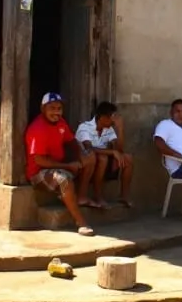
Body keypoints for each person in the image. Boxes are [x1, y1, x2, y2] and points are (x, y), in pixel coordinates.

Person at [24, 92, 97, 236]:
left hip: (59, 164)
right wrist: (68, 166)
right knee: (64, 179)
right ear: (43, 109)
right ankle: (80, 222)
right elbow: (39, 160)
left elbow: (70, 140)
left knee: (90, 157)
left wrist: (80, 154)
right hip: (39, 173)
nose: (56, 112)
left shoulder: (61, 122)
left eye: (59, 108)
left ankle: (81, 196)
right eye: (52, 108)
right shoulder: (38, 128)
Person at [75, 102, 134, 209]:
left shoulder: (109, 129)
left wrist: (120, 129)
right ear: (102, 117)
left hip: (103, 161)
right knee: (103, 158)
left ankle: (124, 195)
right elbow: (89, 148)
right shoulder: (85, 127)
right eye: (112, 117)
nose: (114, 121)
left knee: (128, 158)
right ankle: (98, 196)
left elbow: (119, 149)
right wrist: (112, 152)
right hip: (86, 163)